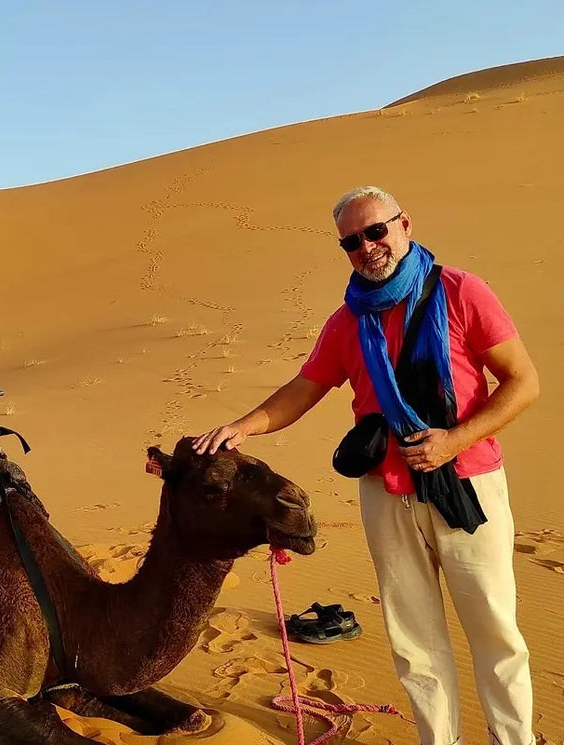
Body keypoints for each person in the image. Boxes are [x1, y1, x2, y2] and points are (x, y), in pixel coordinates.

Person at [194, 185, 539, 745]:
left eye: (376, 231)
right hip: (388, 493)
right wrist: (243, 426)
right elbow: (306, 388)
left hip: (467, 484)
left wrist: (453, 441)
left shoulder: (460, 292)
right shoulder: (348, 320)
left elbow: (523, 382)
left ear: (404, 225)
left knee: (495, 633)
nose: (367, 247)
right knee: (414, 642)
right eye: (352, 241)